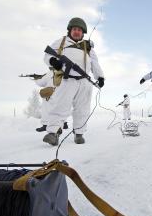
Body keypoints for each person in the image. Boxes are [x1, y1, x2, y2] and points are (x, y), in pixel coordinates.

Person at [42, 17, 105, 145]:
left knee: (82, 109)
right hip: (66, 80)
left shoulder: (88, 47)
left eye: (79, 30)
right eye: (75, 29)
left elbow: (95, 64)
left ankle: (79, 133)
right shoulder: (61, 42)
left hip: (84, 82)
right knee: (60, 106)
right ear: (70, 30)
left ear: (83, 33)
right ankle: (53, 133)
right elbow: (48, 55)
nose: (77, 32)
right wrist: (53, 61)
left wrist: (100, 77)